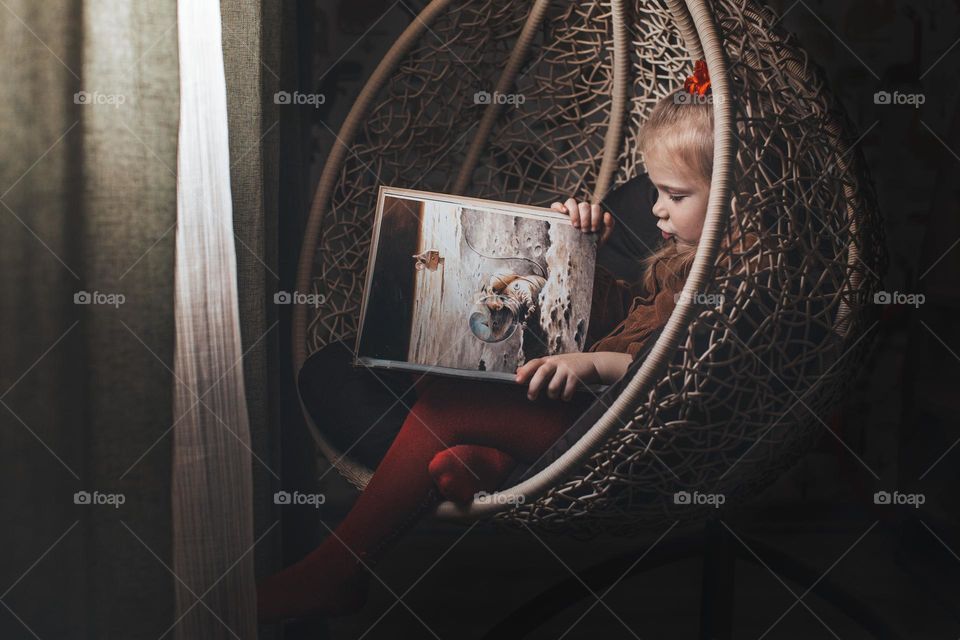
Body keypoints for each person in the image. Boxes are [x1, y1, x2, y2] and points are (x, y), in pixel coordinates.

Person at [257, 61, 716, 624]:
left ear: (732, 195)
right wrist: (579, 251)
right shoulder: (679, 260)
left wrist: (595, 364)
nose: (656, 208)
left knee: (452, 399)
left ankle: (334, 573)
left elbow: (681, 369)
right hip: (580, 408)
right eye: (655, 190)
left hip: (627, 439)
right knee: (434, 358)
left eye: (674, 194)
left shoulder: (734, 283)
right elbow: (623, 321)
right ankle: (488, 460)